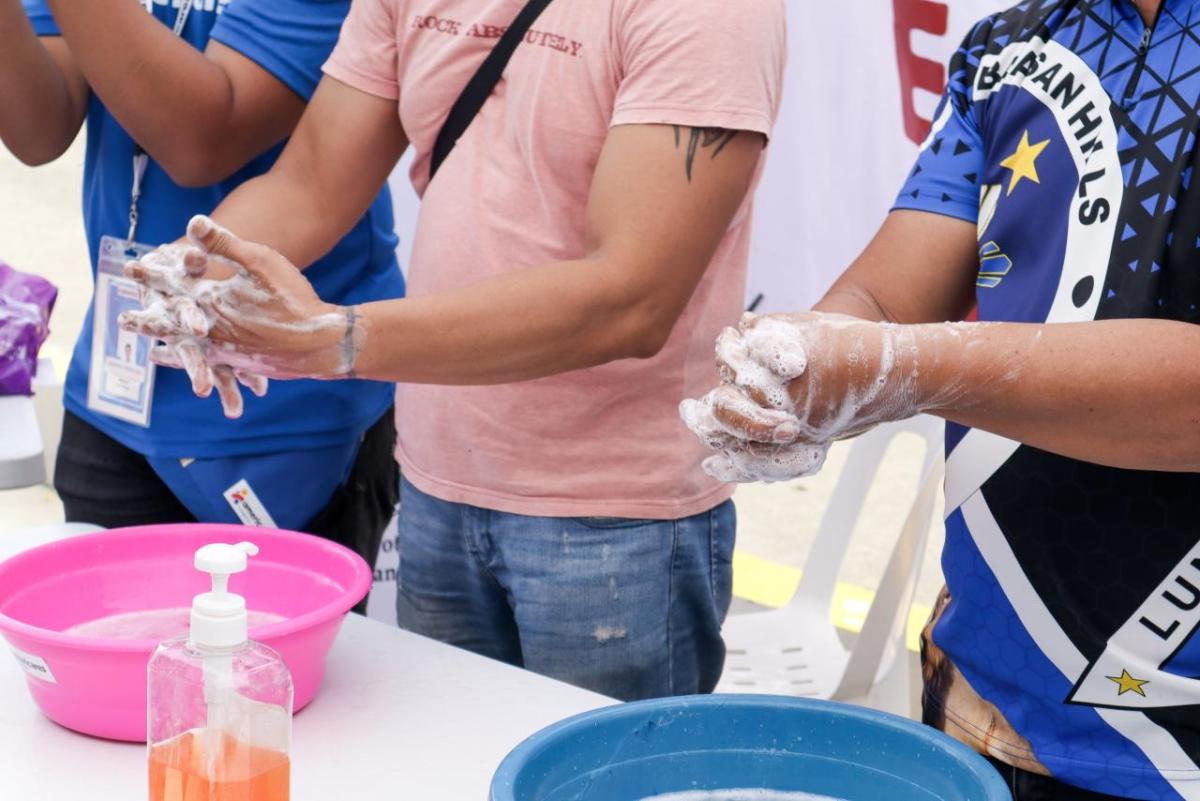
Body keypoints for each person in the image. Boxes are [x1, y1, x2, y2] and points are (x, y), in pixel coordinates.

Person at [119, 0, 787, 701]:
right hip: (436, 478)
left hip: (616, 515)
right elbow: (314, 179)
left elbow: (631, 297)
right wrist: (194, 273)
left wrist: (342, 338)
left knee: (597, 779)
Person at [680, 0, 1200, 799]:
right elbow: (884, 297)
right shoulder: (1009, 43)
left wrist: (904, 366)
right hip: (983, 686)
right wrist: (799, 364)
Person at [0, 0, 404, 579]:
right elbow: (38, 128)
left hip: (279, 405)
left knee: (276, 662)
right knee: (107, 650)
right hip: (120, 378)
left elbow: (202, 140)